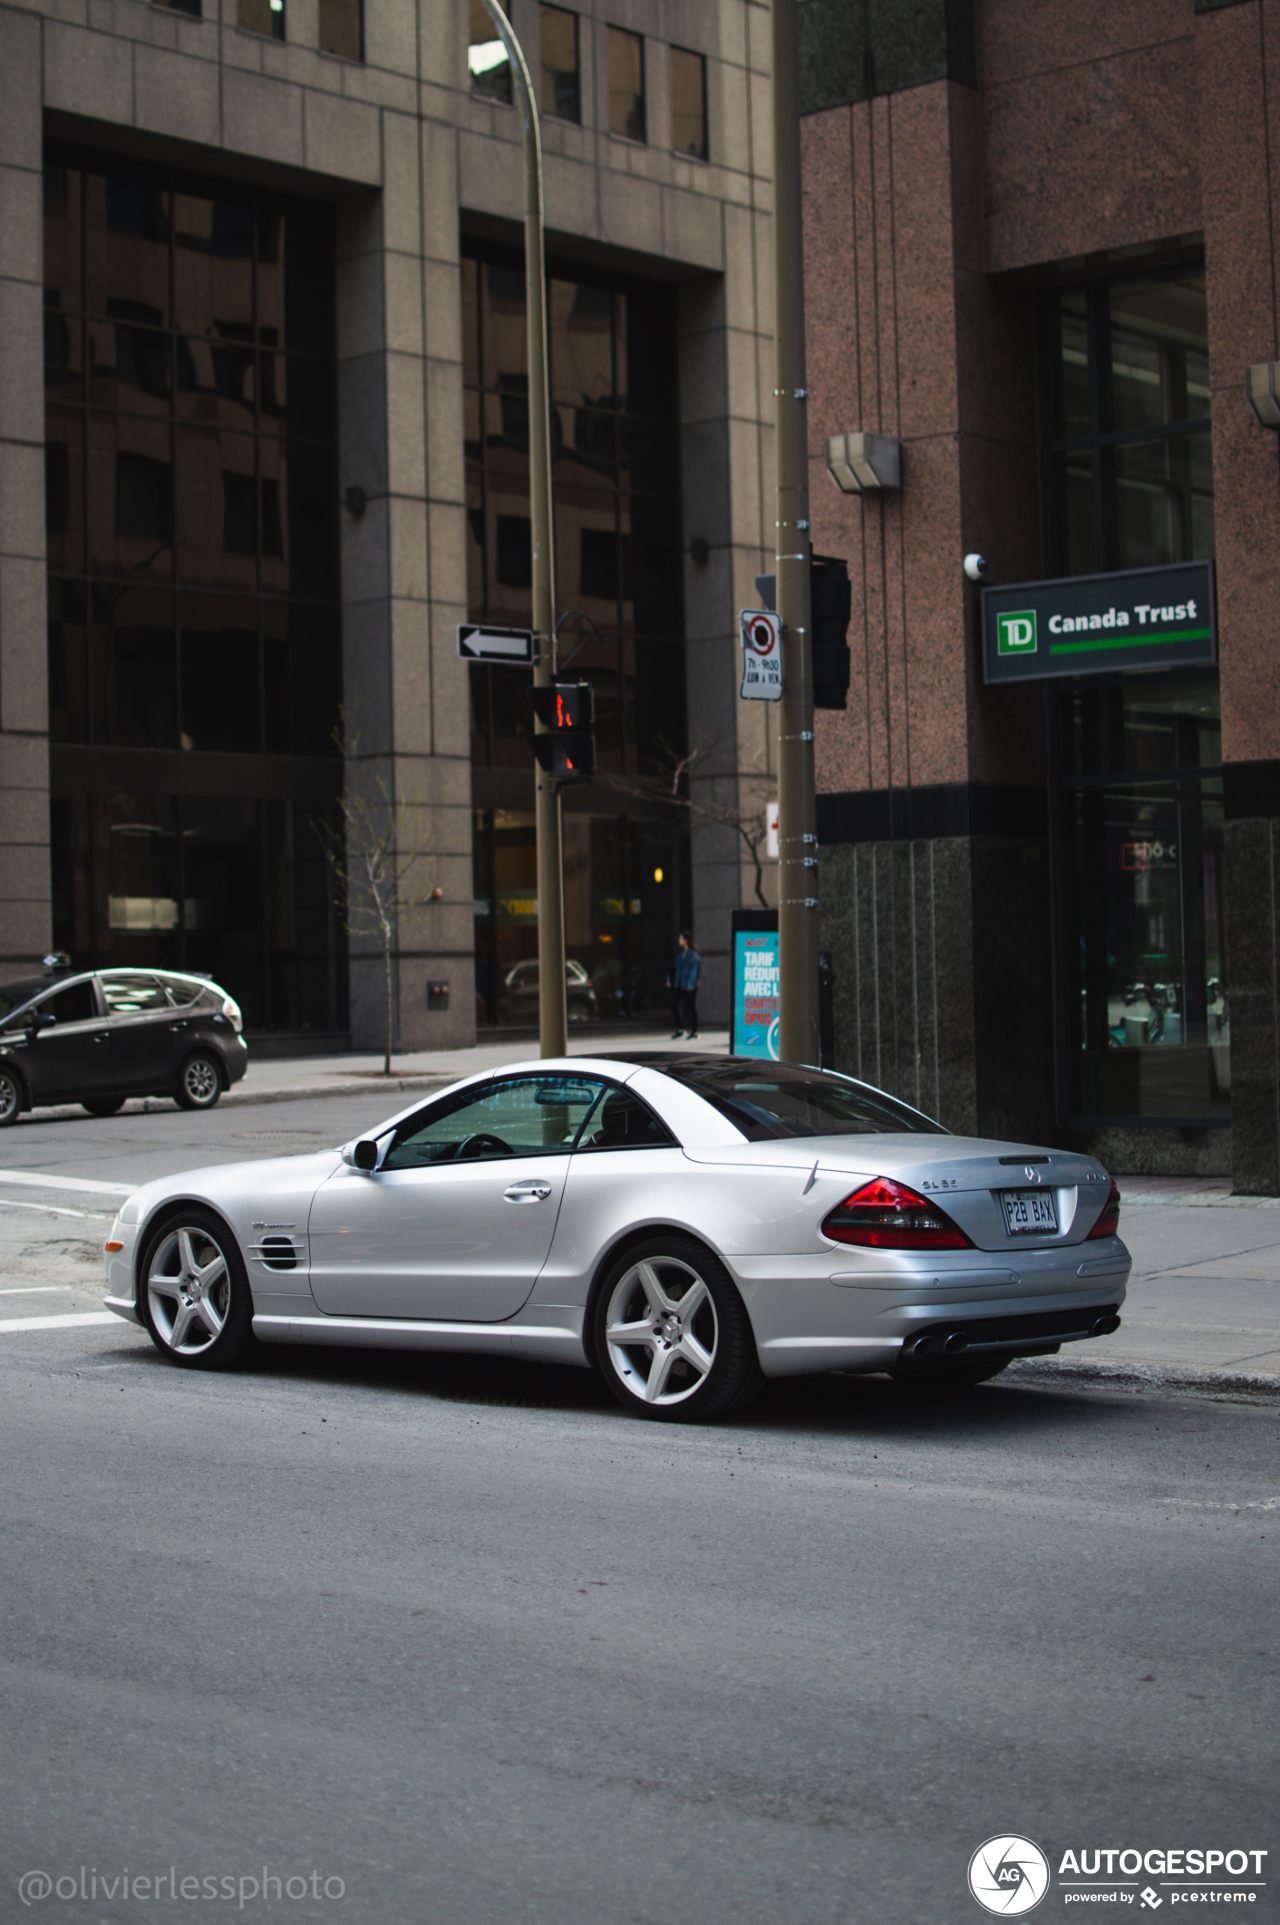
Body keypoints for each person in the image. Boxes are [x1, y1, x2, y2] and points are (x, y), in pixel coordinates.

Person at [669, 931, 700, 1039]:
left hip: (690, 986)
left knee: (691, 1007)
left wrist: (690, 986)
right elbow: (674, 969)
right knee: (673, 1003)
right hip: (680, 985)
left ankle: (694, 1032)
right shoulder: (680, 955)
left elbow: (693, 971)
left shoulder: (693, 955)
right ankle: (680, 1030)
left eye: (680, 938)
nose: (679, 941)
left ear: (686, 940)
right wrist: (670, 980)